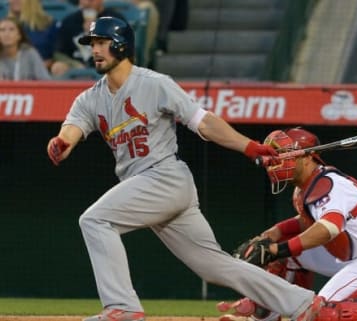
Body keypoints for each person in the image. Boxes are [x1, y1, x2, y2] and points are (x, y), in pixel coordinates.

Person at [46, 16, 326, 321]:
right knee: (214, 265)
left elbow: (203, 122)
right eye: (93, 44)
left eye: (101, 43)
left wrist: (249, 147)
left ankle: (123, 307)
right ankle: (303, 303)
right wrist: (61, 143)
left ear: (120, 45)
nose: (95, 50)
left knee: (95, 220)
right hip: (147, 185)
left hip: (164, 177)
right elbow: (70, 130)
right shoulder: (90, 98)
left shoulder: (155, 84)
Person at [216, 128, 357, 321]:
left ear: (308, 157)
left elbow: (328, 228)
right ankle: (266, 316)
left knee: (321, 313)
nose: (278, 161)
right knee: (286, 252)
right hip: (352, 254)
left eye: (284, 154)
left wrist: (275, 250)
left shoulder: (329, 185)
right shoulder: (304, 187)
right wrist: (273, 234)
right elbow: (306, 222)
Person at [50, 0, 124, 77]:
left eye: (90, 0)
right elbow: (59, 54)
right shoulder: (69, 22)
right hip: (76, 67)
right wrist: (75, 65)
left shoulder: (115, 20)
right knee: (57, 67)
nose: (86, 3)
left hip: (106, 66)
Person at [7, 0, 59, 70]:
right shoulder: (3, 26)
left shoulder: (49, 24)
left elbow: (59, 55)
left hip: (44, 73)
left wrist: (44, 64)